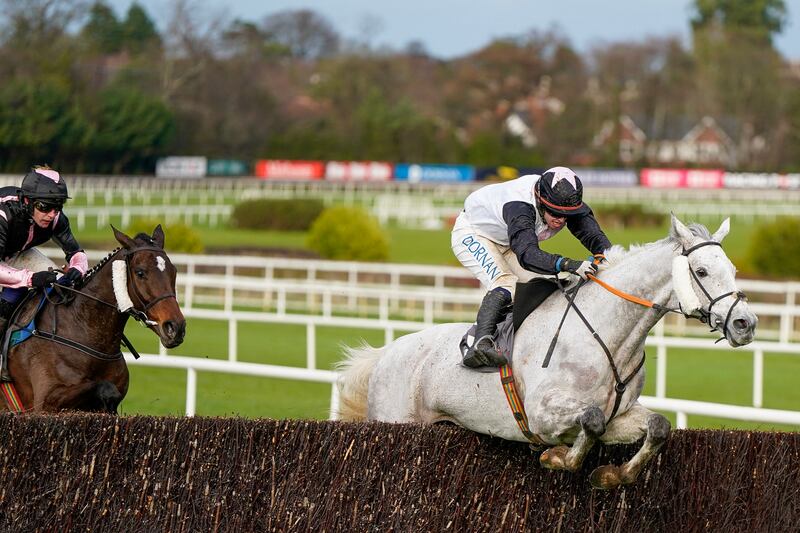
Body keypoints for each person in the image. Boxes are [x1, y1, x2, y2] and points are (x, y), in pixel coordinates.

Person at [452, 166, 612, 368]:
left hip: (509, 241)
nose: (561, 220)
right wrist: (570, 264)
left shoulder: (564, 203)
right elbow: (528, 254)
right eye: (555, 212)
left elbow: (599, 242)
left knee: (540, 284)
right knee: (505, 283)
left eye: (566, 215)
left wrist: (609, 259)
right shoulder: (520, 206)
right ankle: (477, 343)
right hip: (473, 233)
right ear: (540, 200)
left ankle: (512, 336)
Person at [0, 166, 88, 380]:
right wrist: (29, 278)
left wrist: (78, 268)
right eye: (46, 207)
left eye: (57, 208)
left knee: (61, 284)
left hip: (15, 254)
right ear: (28, 201)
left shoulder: (55, 217)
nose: (51, 215)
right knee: (22, 287)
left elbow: (77, 253)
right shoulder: (3, 213)